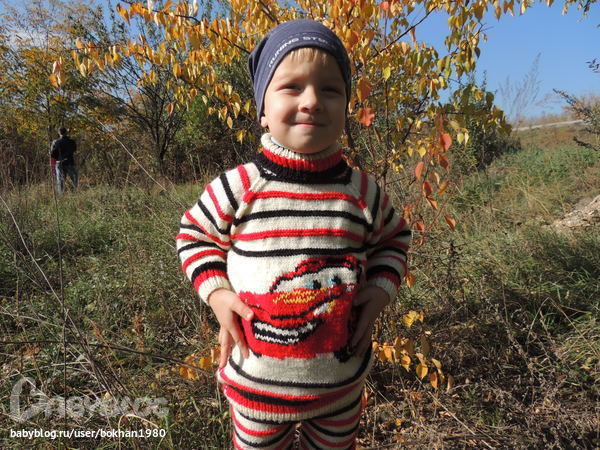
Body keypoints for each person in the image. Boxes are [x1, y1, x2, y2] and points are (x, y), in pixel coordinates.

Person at [176, 19, 411, 449]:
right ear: (262, 110)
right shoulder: (240, 187)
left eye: (331, 89)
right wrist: (218, 294)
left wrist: (380, 291)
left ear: (347, 107)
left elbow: (395, 240)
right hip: (256, 391)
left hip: (340, 390)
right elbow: (194, 235)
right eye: (291, 87)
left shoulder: (362, 193)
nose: (313, 101)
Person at [50, 127, 78, 194]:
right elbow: (74, 150)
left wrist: (57, 158)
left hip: (59, 163)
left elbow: (52, 154)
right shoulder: (71, 142)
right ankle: (74, 193)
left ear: (59, 133)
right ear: (66, 132)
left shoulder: (56, 142)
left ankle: (61, 195)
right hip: (69, 162)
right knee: (74, 178)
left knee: (60, 181)